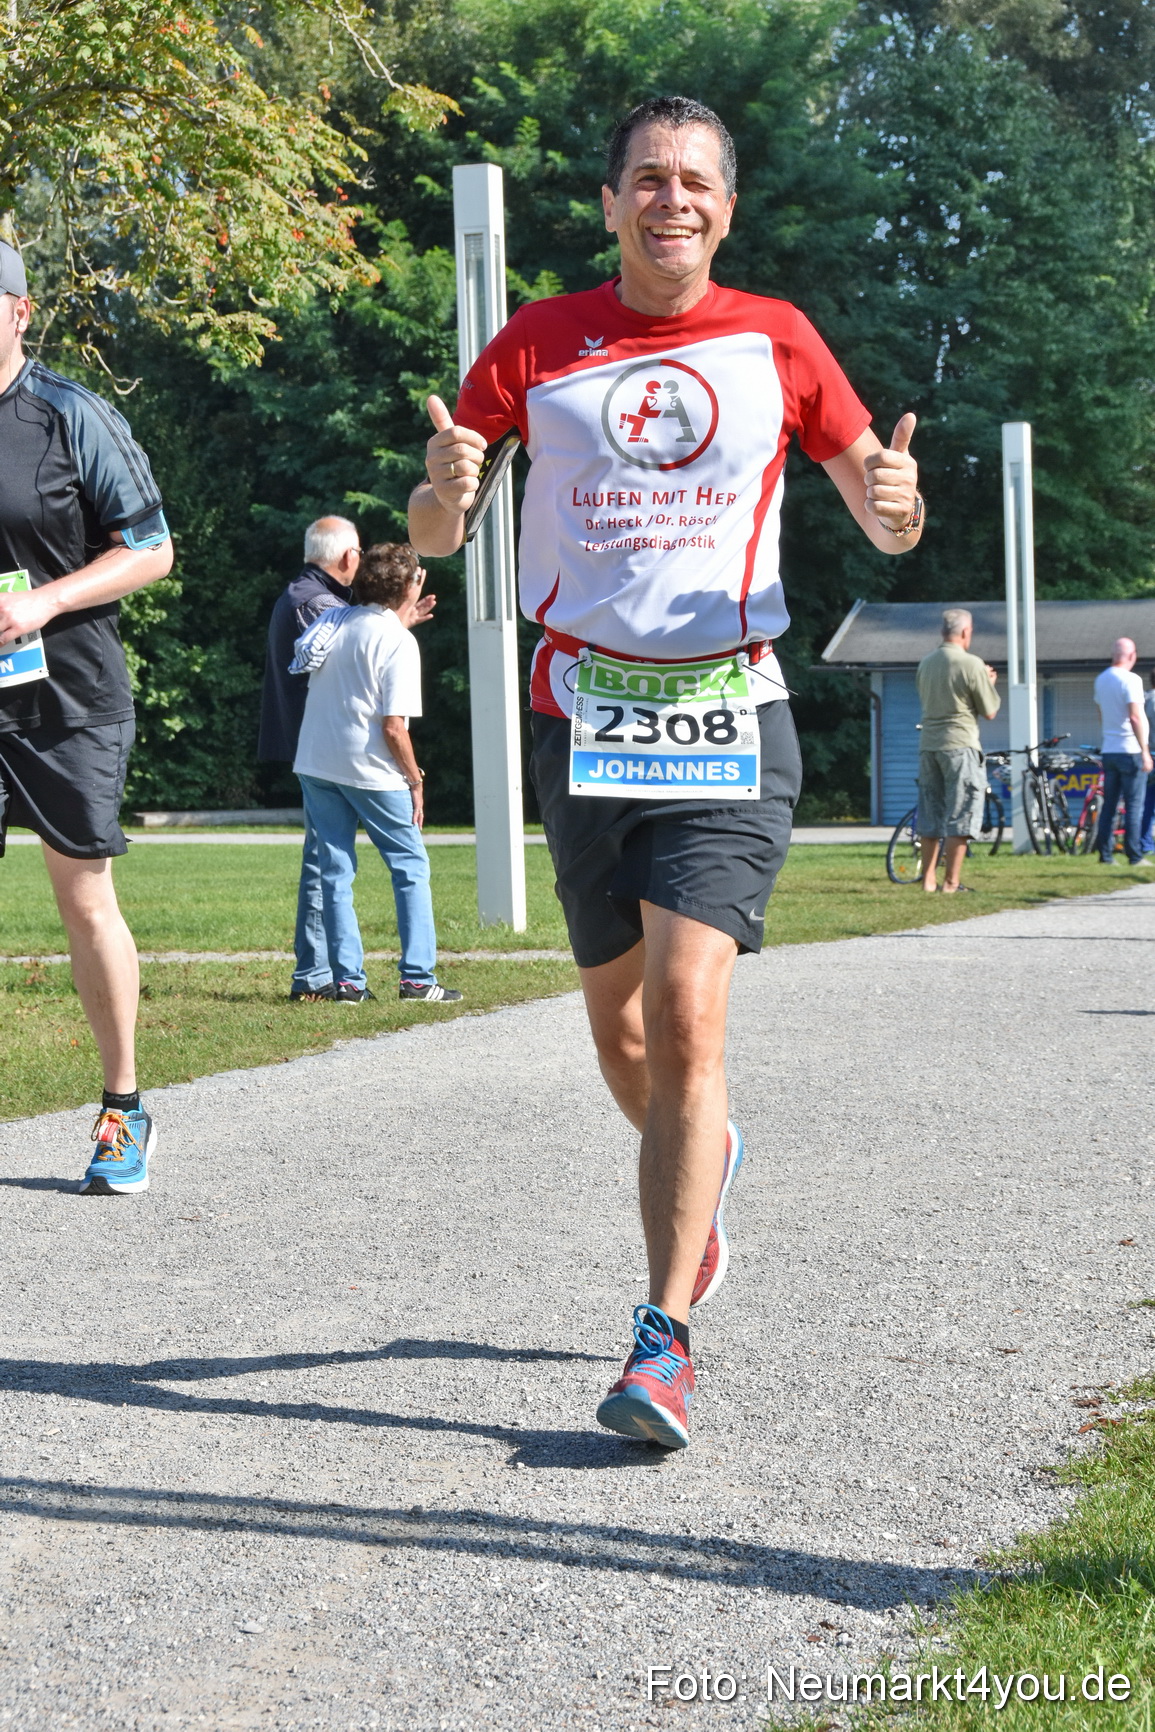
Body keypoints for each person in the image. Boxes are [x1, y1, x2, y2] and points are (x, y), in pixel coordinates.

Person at [408, 95, 922, 1449]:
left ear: (724, 208)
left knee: (690, 1014)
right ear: (607, 204)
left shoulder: (778, 340)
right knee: (621, 1034)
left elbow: (878, 505)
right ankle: (707, 1160)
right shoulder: (534, 344)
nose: (669, 200)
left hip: (725, 712)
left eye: (692, 181)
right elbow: (438, 525)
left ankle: (660, 1341)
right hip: (582, 721)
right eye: (645, 178)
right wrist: (445, 490)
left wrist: (894, 505)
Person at [0, 238, 174, 1194]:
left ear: (20, 312)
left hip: (63, 693)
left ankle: (123, 1107)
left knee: (82, 896)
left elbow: (151, 549)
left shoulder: (69, 414)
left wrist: (43, 601)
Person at [291, 542, 462, 1004]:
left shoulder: (336, 622)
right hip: (371, 768)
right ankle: (418, 979)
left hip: (317, 761)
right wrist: (416, 780)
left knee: (335, 872)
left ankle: (348, 983)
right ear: (410, 586)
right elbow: (393, 727)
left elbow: (365, 643)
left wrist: (403, 614)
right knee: (410, 867)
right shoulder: (399, 642)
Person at [258, 516, 360, 1002]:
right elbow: (350, 663)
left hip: (316, 746)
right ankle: (313, 976)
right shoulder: (316, 601)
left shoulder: (306, 594)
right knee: (324, 858)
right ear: (346, 557)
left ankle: (317, 972)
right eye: (359, 551)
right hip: (321, 749)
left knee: (326, 855)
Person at [914, 608, 1000, 893]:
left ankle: (927, 879)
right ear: (965, 632)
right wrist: (988, 684)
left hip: (929, 745)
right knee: (960, 815)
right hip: (960, 745)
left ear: (942, 632)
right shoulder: (972, 664)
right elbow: (989, 710)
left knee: (931, 813)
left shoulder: (926, 663)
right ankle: (951, 882)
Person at [1093, 637, 1152, 866]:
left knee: (1109, 805)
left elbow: (1101, 714)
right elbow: (1135, 716)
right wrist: (1144, 750)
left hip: (1110, 750)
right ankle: (1134, 855)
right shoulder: (1131, 680)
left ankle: (1105, 855)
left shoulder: (1101, 679)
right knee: (1134, 805)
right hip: (1130, 750)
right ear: (1132, 655)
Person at [1139, 669, 1155, 854]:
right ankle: (1145, 843)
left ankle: (1143, 842)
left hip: (1144, 755)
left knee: (1145, 803)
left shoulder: (1142, 699)